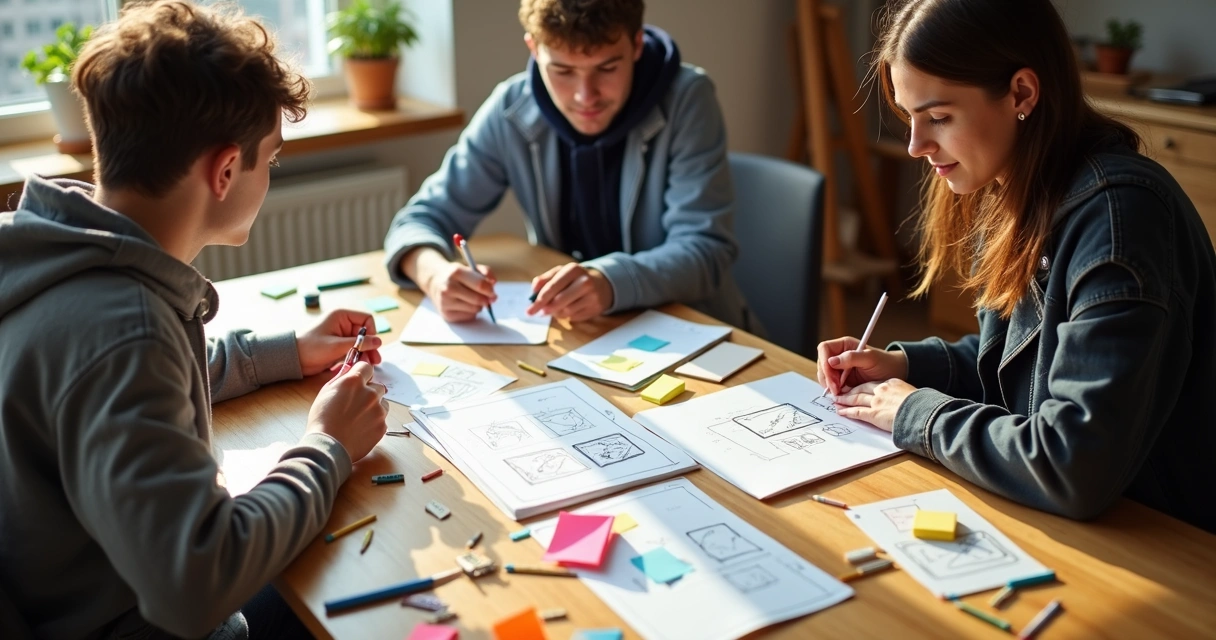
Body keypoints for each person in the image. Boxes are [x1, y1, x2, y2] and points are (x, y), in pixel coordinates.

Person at [0, 2, 390, 638]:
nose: (269, 176)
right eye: (271, 160)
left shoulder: (53, 259)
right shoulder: (125, 330)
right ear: (226, 170)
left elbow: (134, 390)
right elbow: (196, 584)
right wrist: (328, 446)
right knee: (363, 596)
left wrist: (289, 350)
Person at [819, 0, 1216, 533]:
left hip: (1165, 538)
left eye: (938, 117)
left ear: (1022, 94)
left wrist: (916, 413)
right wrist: (903, 367)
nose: (915, 145)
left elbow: (1071, 462)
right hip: (1087, 523)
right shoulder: (1018, 189)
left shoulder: (1120, 220)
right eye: (909, 117)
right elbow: (1018, 362)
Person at [384, 0, 751, 328]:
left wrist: (609, 282)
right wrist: (433, 274)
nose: (584, 96)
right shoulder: (511, 110)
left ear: (637, 44)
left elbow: (706, 250)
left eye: (607, 67)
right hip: (580, 334)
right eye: (562, 70)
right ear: (533, 47)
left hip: (690, 332)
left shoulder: (688, 99)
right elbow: (419, 219)